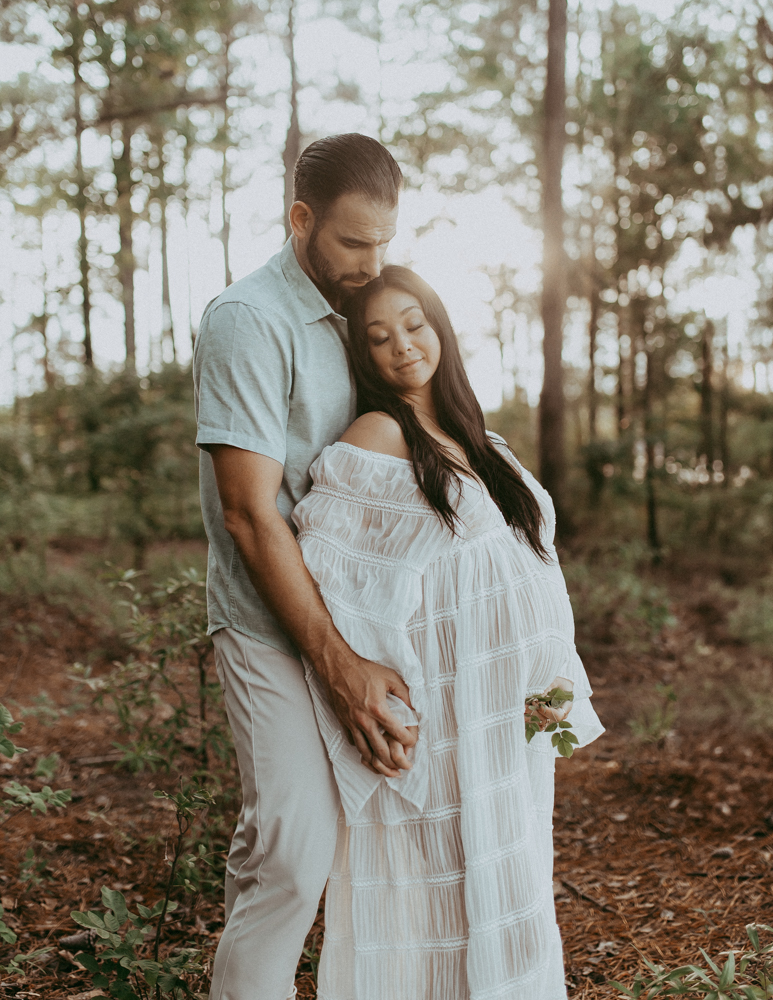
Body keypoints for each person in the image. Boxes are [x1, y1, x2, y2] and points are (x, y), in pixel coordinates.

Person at [292, 266, 605, 1000]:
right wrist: (365, 691)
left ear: (439, 327)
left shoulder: (478, 439)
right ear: (361, 357)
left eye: (413, 324)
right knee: (435, 899)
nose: (401, 346)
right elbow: (332, 571)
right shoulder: (378, 435)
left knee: (509, 880)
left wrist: (549, 673)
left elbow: (530, 565)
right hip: (445, 714)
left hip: (505, 720)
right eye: (378, 337)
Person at [193, 134, 417, 1000]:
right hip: (267, 624)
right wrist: (339, 669)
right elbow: (251, 515)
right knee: (290, 855)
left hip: (356, 620)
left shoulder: (359, 310)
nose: (372, 263)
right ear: (299, 219)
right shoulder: (249, 319)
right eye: (353, 243)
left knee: (349, 851)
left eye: (384, 243)